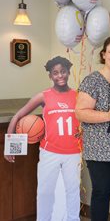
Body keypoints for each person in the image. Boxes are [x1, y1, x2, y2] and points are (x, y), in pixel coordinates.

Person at [4, 56, 81, 221]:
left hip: (74, 151)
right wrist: (9, 147)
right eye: (55, 73)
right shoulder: (43, 96)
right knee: (45, 192)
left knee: (73, 191)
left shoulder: (78, 96)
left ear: (68, 72)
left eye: (63, 72)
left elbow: (86, 118)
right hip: (49, 151)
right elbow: (17, 116)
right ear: (50, 76)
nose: (60, 76)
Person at [76, 36, 110, 221]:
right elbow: (80, 112)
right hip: (99, 150)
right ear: (103, 54)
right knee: (102, 192)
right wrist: (107, 116)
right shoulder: (93, 81)